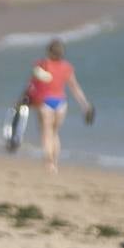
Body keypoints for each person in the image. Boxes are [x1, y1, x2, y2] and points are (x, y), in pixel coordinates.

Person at [21, 38, 94, 174]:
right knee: (55, 133)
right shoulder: (67, 67)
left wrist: (24, 99)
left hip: (45, 102)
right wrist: (85, 104)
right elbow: (75, 88)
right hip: (61, 103)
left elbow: (31, 85)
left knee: (46, 133)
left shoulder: (42, 64)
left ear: (49, 51)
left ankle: (49, 165)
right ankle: (55, 163)